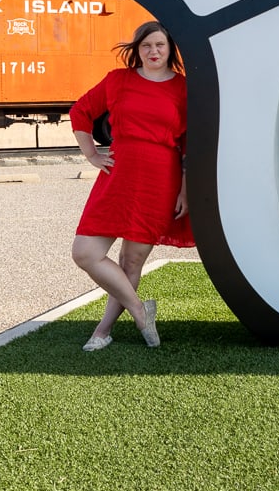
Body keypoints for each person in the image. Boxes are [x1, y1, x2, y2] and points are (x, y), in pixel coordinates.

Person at [68, 20, 194, 351]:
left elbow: (188, 144)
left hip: (160, 179)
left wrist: (185, 189)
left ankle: (103, 331)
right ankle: (140, 311)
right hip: (118, 175)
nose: (153, 51)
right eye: (146, 46)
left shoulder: (182, 88)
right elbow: (81, 111)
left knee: (131, 262)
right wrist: (92, 154)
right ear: (137, 51)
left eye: (160, 45)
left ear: (170, 50)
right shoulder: (118, 80)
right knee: (85, 253)